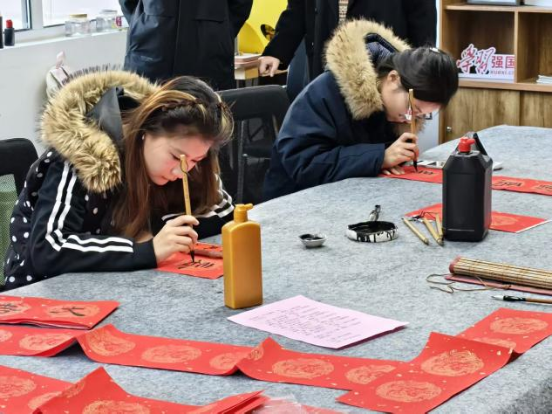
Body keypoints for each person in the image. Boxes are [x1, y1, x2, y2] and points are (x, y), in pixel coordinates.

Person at [3, 71, 235, 290]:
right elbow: (47, 249)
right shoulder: (85, 156)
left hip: (119, 284)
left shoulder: (188, 160)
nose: (181, 172)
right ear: (146, 130)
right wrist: (145, 249)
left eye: (196, 160)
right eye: (176, 157)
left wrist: (158, 230)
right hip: (43, 291)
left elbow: (224, 213)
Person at [263, 20, 459, 201]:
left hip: (351, 196)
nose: (410, 119)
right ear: (393, 78)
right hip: (295, 200)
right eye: (411, 108)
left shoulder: (393, 105)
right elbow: (304, 164)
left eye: (421, 116)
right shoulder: (326, 92)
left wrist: (394, 157)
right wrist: (380, 157)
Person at [259, 0, 437, 82]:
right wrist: (277, 51)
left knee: (381, 136)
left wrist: (420, 68)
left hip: (383, 67)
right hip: (328, 67)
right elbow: (299, 8)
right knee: (329, 132)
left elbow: (423, 18)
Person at [120, 0, 253, 90]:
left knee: (207, 117)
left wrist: (222, 31)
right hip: (152, 49)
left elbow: (241, 5)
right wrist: (142, 22)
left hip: (207, 53)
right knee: (143, 116)